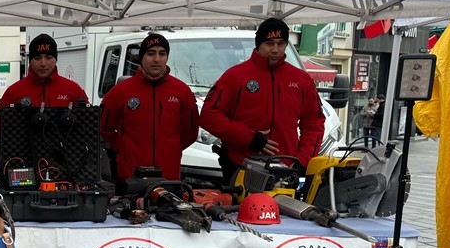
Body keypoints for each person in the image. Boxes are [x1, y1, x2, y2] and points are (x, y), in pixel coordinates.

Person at [199, 17, 325, 182]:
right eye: (269, 43)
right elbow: (209, 116)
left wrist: (303, 161)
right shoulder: (235, 77)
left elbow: (314, 122)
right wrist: (249, 138)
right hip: (241, 165)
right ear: (258, 44)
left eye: (281, 44)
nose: (275, 50)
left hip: (287, 169)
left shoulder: (301, 80)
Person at [99, 32, 199, 184]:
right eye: (151, 53)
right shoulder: (119, 92)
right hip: (130, 177)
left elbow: (190, 133)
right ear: (141, 57)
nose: (157, 59)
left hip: (168, 177)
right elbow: (104, 129)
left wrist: (170, 150)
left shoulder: (182, 92)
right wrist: (123, 151)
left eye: (162, 53)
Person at [0, 33, 87, 128]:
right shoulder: (13, 91)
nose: (43, 63)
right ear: (30, 61)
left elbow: (88, 125)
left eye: (48, 58)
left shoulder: (74, 90)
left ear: (56, 59)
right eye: (37, 58)